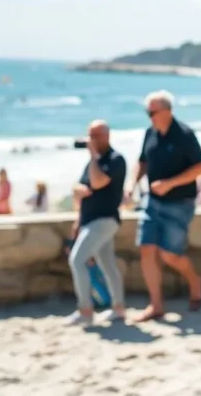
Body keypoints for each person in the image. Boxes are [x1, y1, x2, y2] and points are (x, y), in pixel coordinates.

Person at [126, 90, 201, 322]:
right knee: (146, 248)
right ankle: (156, 305)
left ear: (167, 111)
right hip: (151, 201)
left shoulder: (185, 134)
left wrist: (170, 184)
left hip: (180, 203)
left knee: (170, 254)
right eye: (147, 112)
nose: (149, 116)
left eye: (152, 112)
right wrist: (131, 185)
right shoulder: (149, 133)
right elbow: (142, 162)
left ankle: (195, 283)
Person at [66, 120, 128, 326]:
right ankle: (118, 308)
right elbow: (80, 187)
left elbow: (97, 182)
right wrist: (78, 219)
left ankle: (85, 310)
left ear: (106, 136)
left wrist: (93, 156)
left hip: (104, 220)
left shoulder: (115, 160)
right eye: (90, 135)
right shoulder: (93, 163)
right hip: (90, 220)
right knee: (108, 265)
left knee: (77, 260)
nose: (91, 140)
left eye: (95, 136)